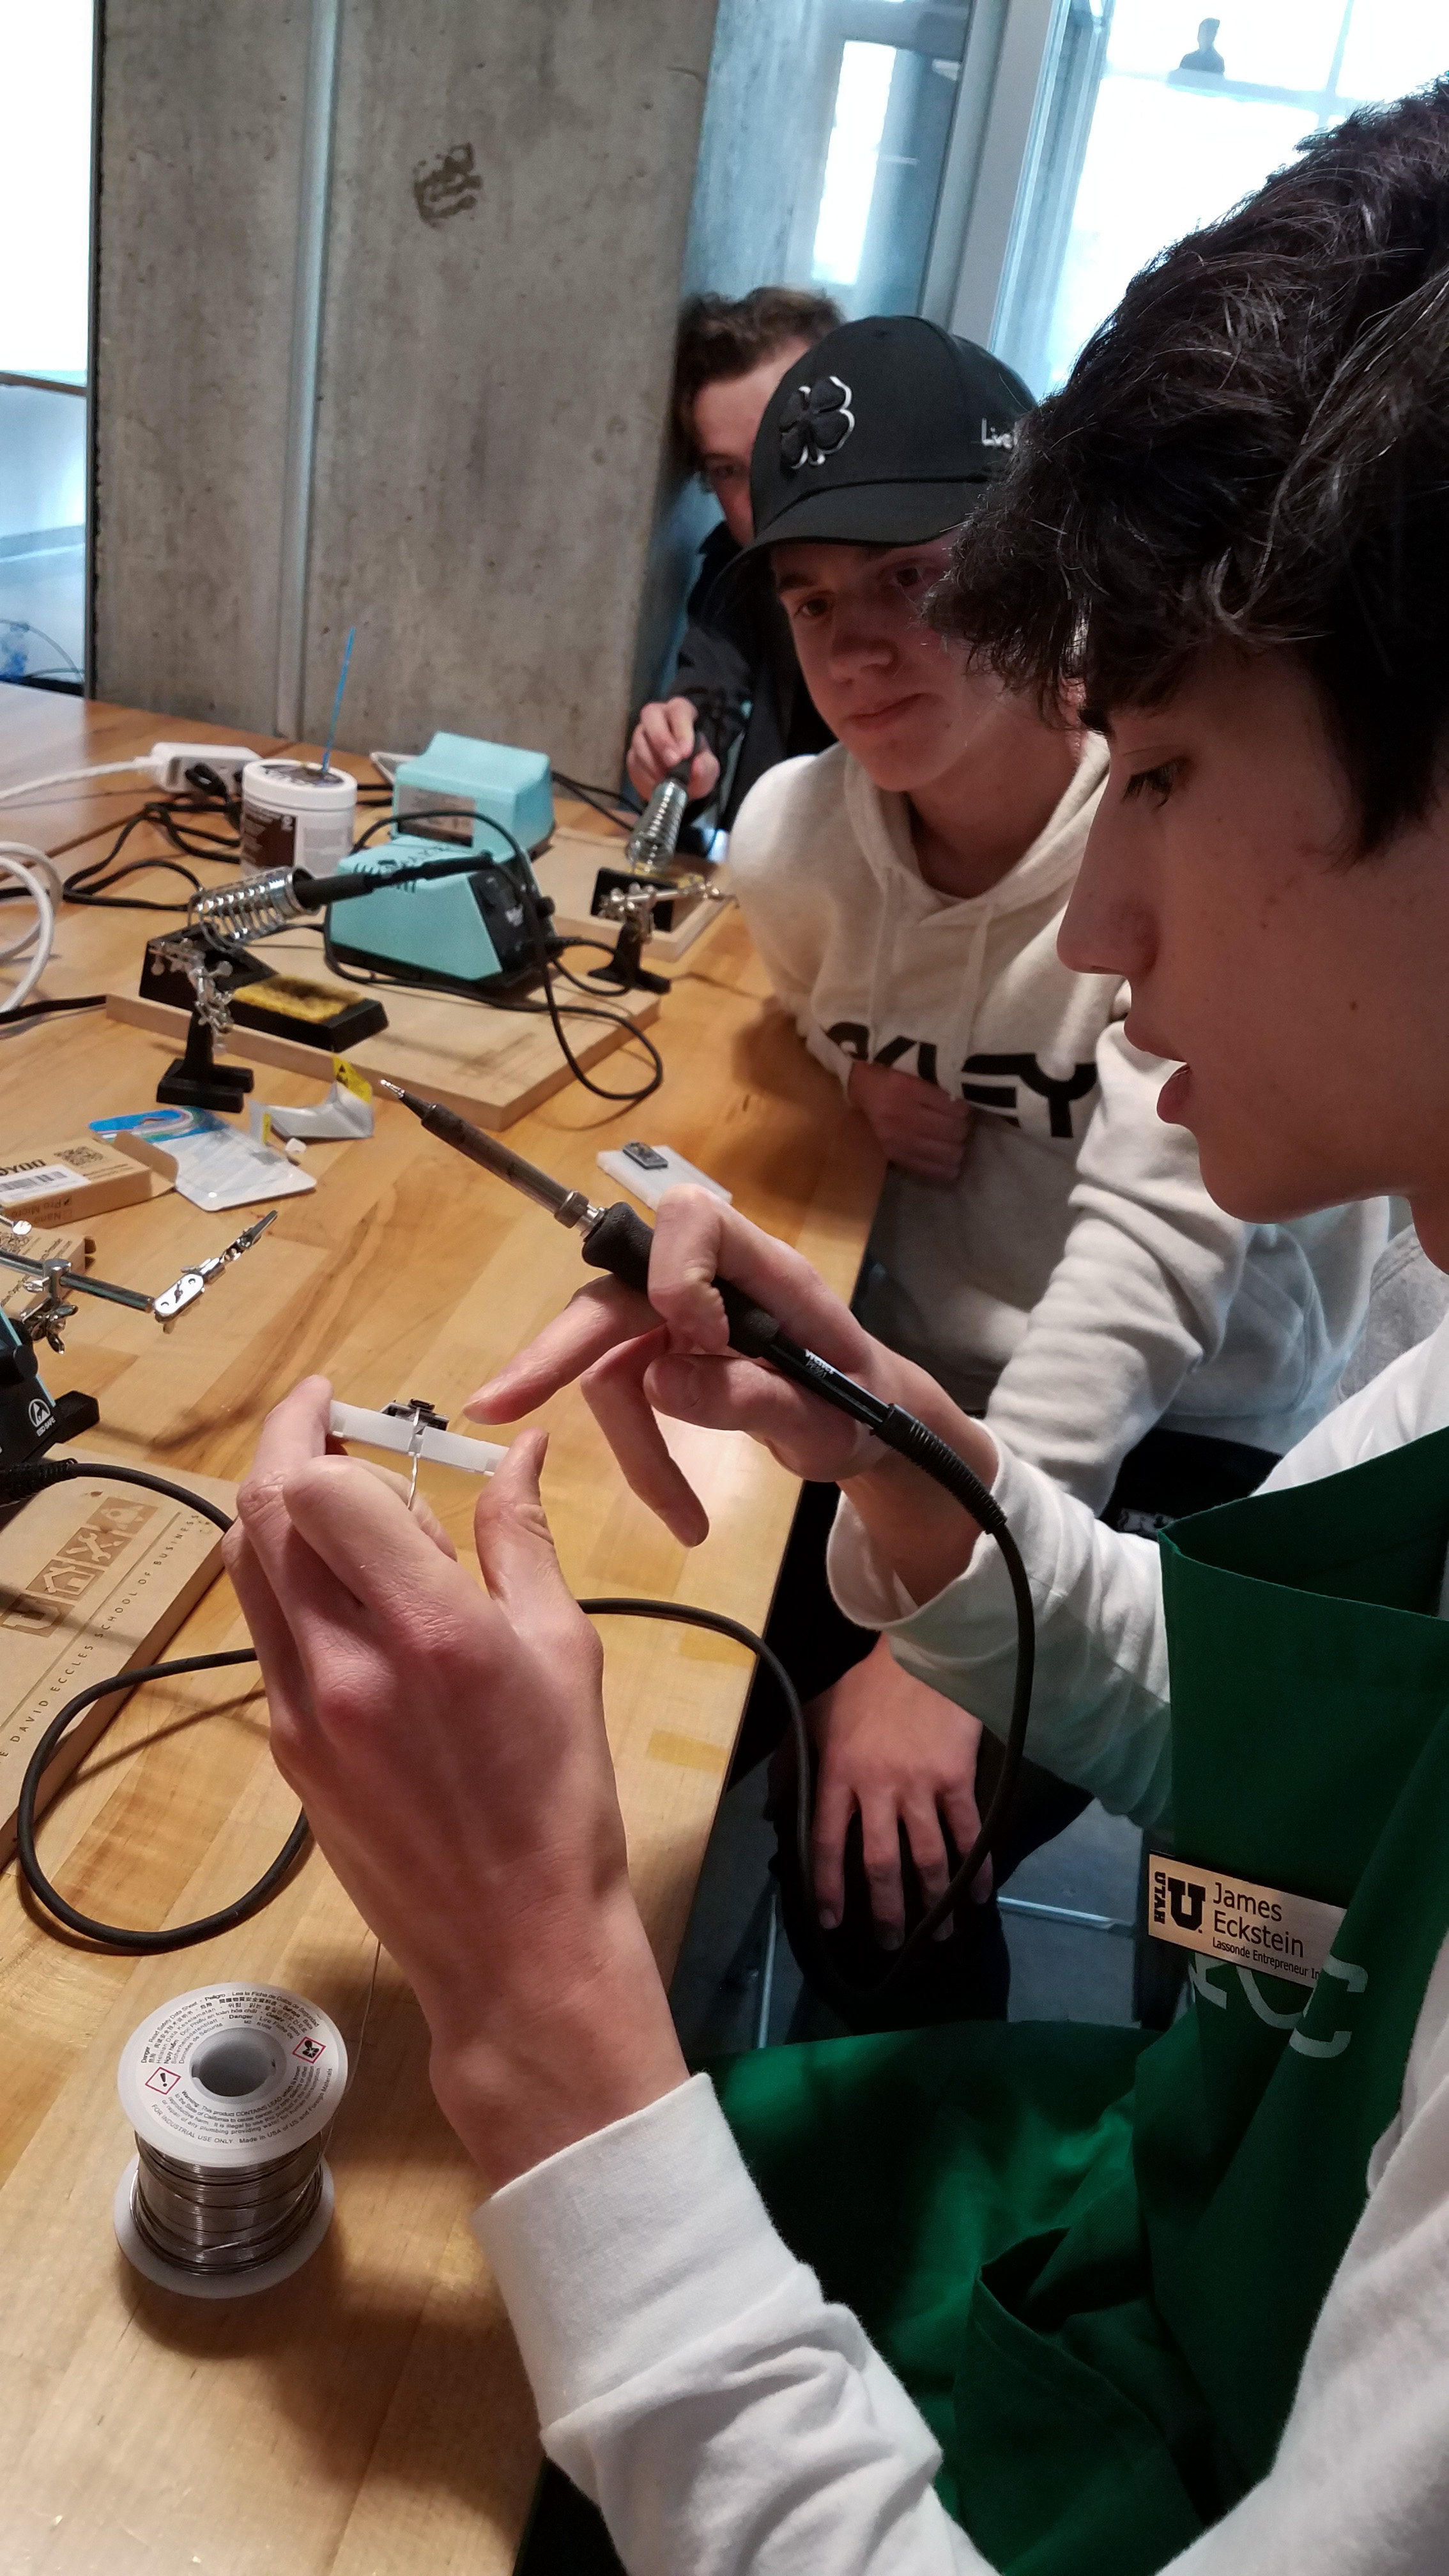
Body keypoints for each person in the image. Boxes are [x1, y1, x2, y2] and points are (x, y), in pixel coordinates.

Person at [226, 80, 1449, 2576]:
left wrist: (535, 1996)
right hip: (1181, 2221)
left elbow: (1137, 1285)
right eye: (807, 595)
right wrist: (895, 1446)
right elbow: (1286, 1753)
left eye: (1162, 770)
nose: (1091, 930)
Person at [720, 313, 1381, 2018]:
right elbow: (795, 1003)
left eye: (913, 578)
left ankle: (1130, 2094)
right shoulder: (788, 846)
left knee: (1193, 1901)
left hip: (1188, 1427)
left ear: (1031, 580)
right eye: (813, 601)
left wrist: (952, 1629)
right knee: (728, 1709)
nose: (860, 647)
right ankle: (897, 2106)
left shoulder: (1171, 847)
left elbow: (1147, 1262)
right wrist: (853, 1072)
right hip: (924, 1392)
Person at [627, 287, 841, 828]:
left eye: (784, 449)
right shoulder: (739, 562)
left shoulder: (933, 571)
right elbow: (708, 689)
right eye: (728, 471)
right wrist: (678, 748)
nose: (760, 499)